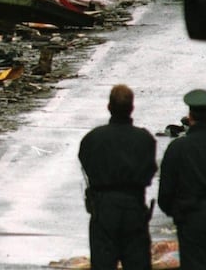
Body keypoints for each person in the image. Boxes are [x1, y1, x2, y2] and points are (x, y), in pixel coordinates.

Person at [78, 84, 158, 270]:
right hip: (134, 206)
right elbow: (150, 170)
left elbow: (86, 164)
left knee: (103, 262)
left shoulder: (93, 138)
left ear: (109, 107)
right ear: (131, 108)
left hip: (103, 208)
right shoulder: (144, 139)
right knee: (136, 261)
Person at [158, 89, 206, 270]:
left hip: (192, 216)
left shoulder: (178, 148)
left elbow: (166, 191)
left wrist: (177, 214)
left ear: (190, 116)